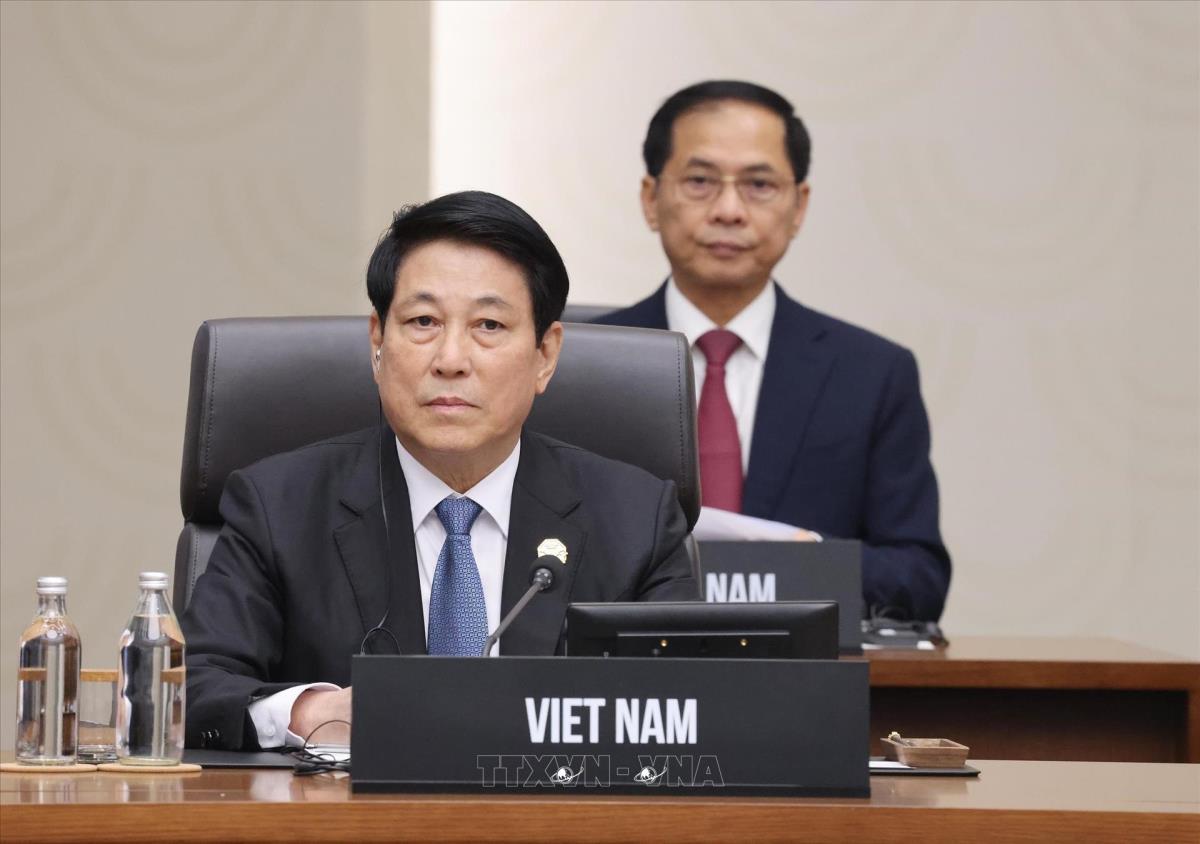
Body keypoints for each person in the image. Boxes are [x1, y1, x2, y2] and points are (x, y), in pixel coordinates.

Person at [182, 191, 697, 751]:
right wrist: (316, 712)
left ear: (545, 355)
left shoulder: (638, 520)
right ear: (378, 342)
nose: (451, 360)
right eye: (423, 321)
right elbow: (192, 689)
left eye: (489, 325)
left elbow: (694, 704)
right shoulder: (278, 506)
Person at [595, 80, 950, 622]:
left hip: (804, 667)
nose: (729, 210)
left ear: (799, 206)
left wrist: (809, 561)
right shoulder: (578, 365)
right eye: (700, 181)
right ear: (651, 199)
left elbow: (918, 577)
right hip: (626, 667)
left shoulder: (872, 374)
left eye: (759, 184)